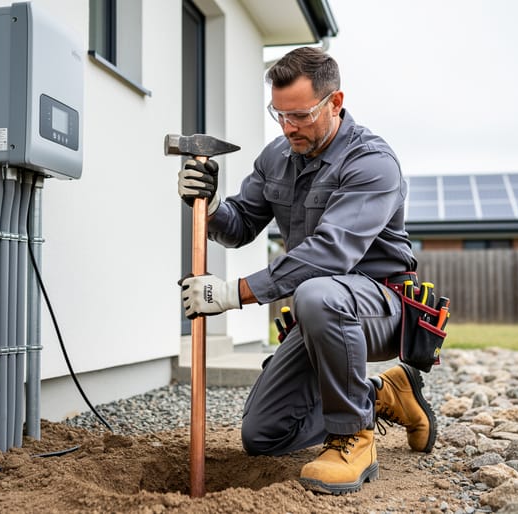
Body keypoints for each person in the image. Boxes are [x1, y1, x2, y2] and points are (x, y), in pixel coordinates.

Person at [177, 46, 436, 495]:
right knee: (263, 435)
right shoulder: (277, 155)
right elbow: (240, 226)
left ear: (335, 103)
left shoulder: (372, 163)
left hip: (380, 305)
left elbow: (329, 255)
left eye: (299, 115)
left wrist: (234, 293)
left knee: (317, 294)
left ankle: (352, 437)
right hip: (323, 308)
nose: (287, 127)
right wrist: (213, 205)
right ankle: (383, 393)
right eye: (278, 115)